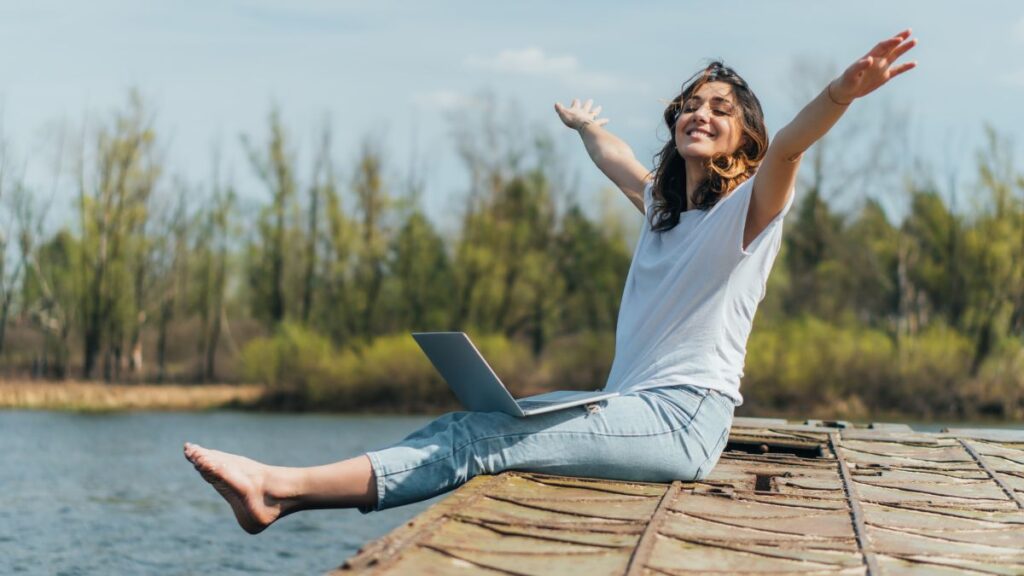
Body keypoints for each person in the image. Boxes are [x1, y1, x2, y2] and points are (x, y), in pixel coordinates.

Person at [184, 30, 917, 534]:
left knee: (487, 437)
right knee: (470, 421)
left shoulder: (748, 215)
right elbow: (617, 158)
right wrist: (585, 127)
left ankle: (279, 489)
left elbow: (789, 147)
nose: (701, 112)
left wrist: (841, 93)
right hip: (635, 408)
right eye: (692, 103)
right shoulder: (665, 211)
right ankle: (281, 494)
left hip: (685, 421)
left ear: (743, 138)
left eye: (721, 109)